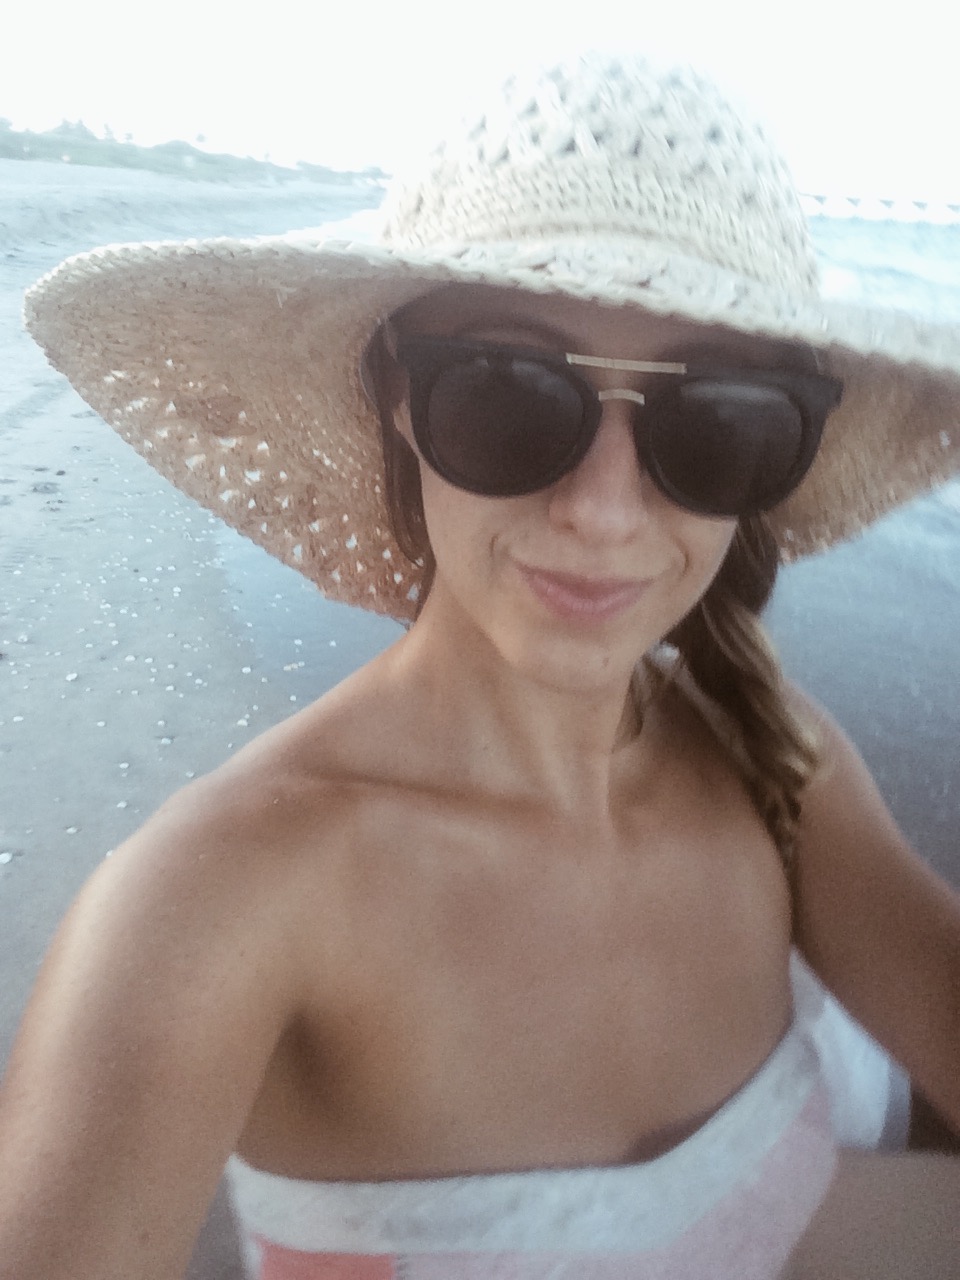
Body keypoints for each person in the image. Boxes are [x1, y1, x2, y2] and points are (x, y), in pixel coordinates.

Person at [4, 53, 960, 1280]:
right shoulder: (208, 906)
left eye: (723, 418)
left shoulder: (776, 757)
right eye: (508, 395)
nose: (604, 510)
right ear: (398, 395)